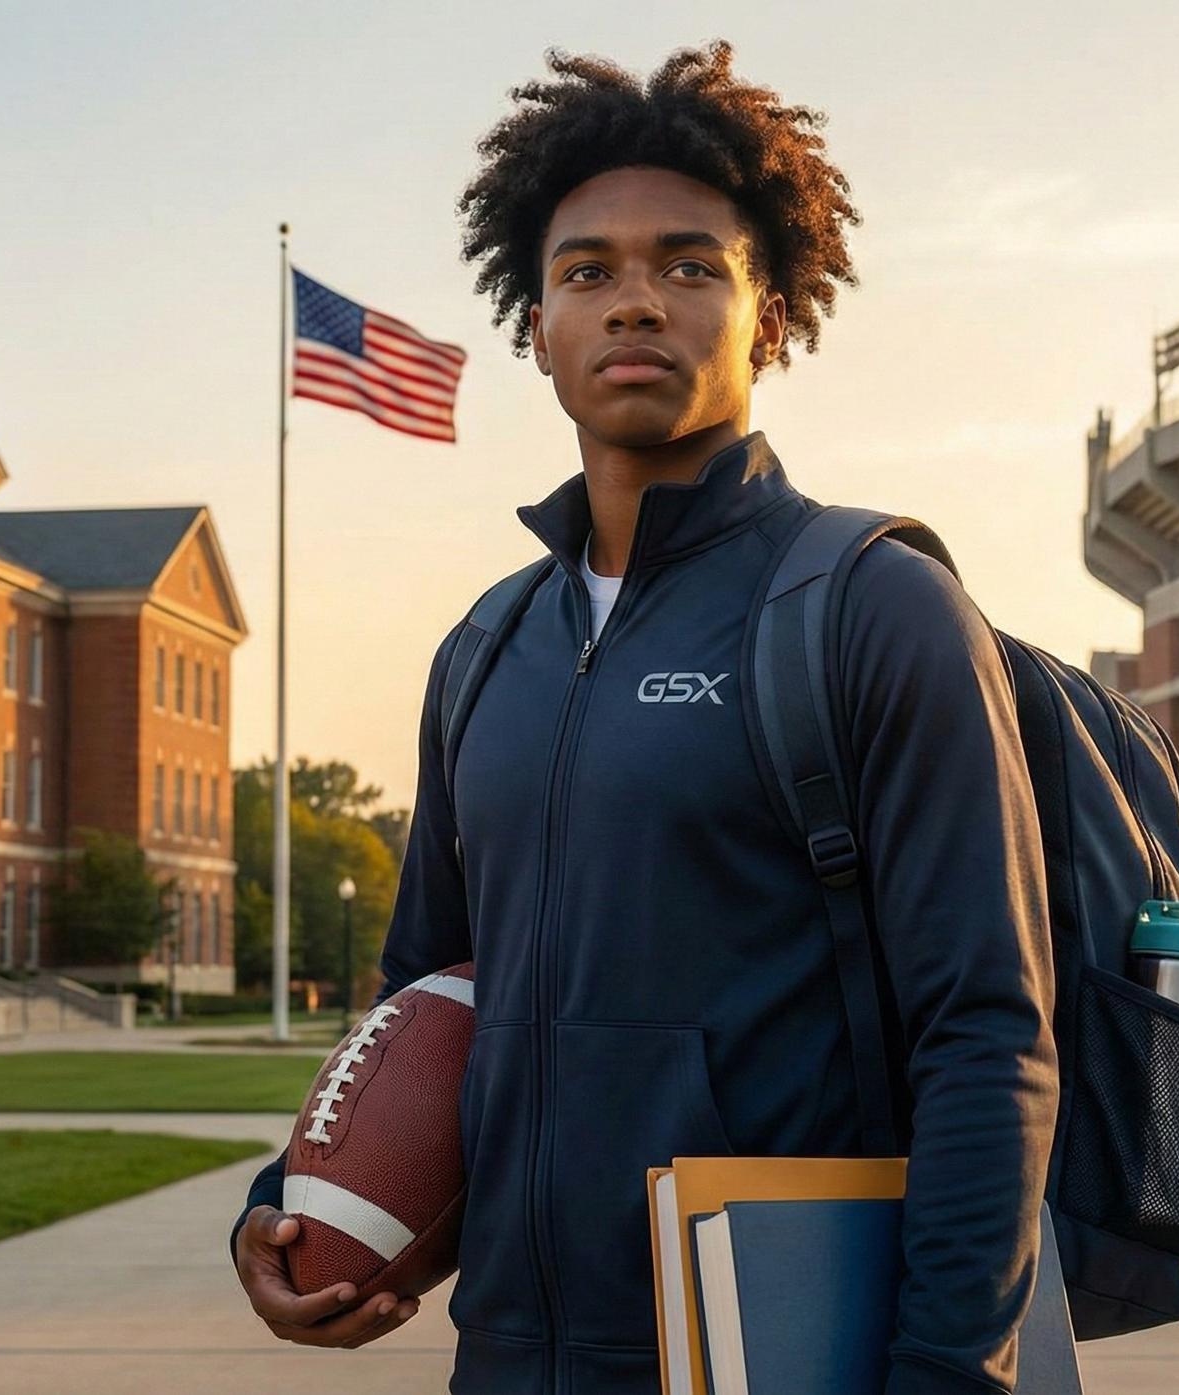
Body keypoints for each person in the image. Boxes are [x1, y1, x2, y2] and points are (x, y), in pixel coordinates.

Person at [234, 43, 1057, 1394]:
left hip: (786, 1355)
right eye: (588, 273)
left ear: (770, 314)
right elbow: (430, 999)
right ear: (536, 324)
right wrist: (298, 1198)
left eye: (690, 266)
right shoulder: (483, 651)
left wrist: (949, 1374)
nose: (635, 305)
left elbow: (988, 1036)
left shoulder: (876, 609)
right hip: (509, 1359)